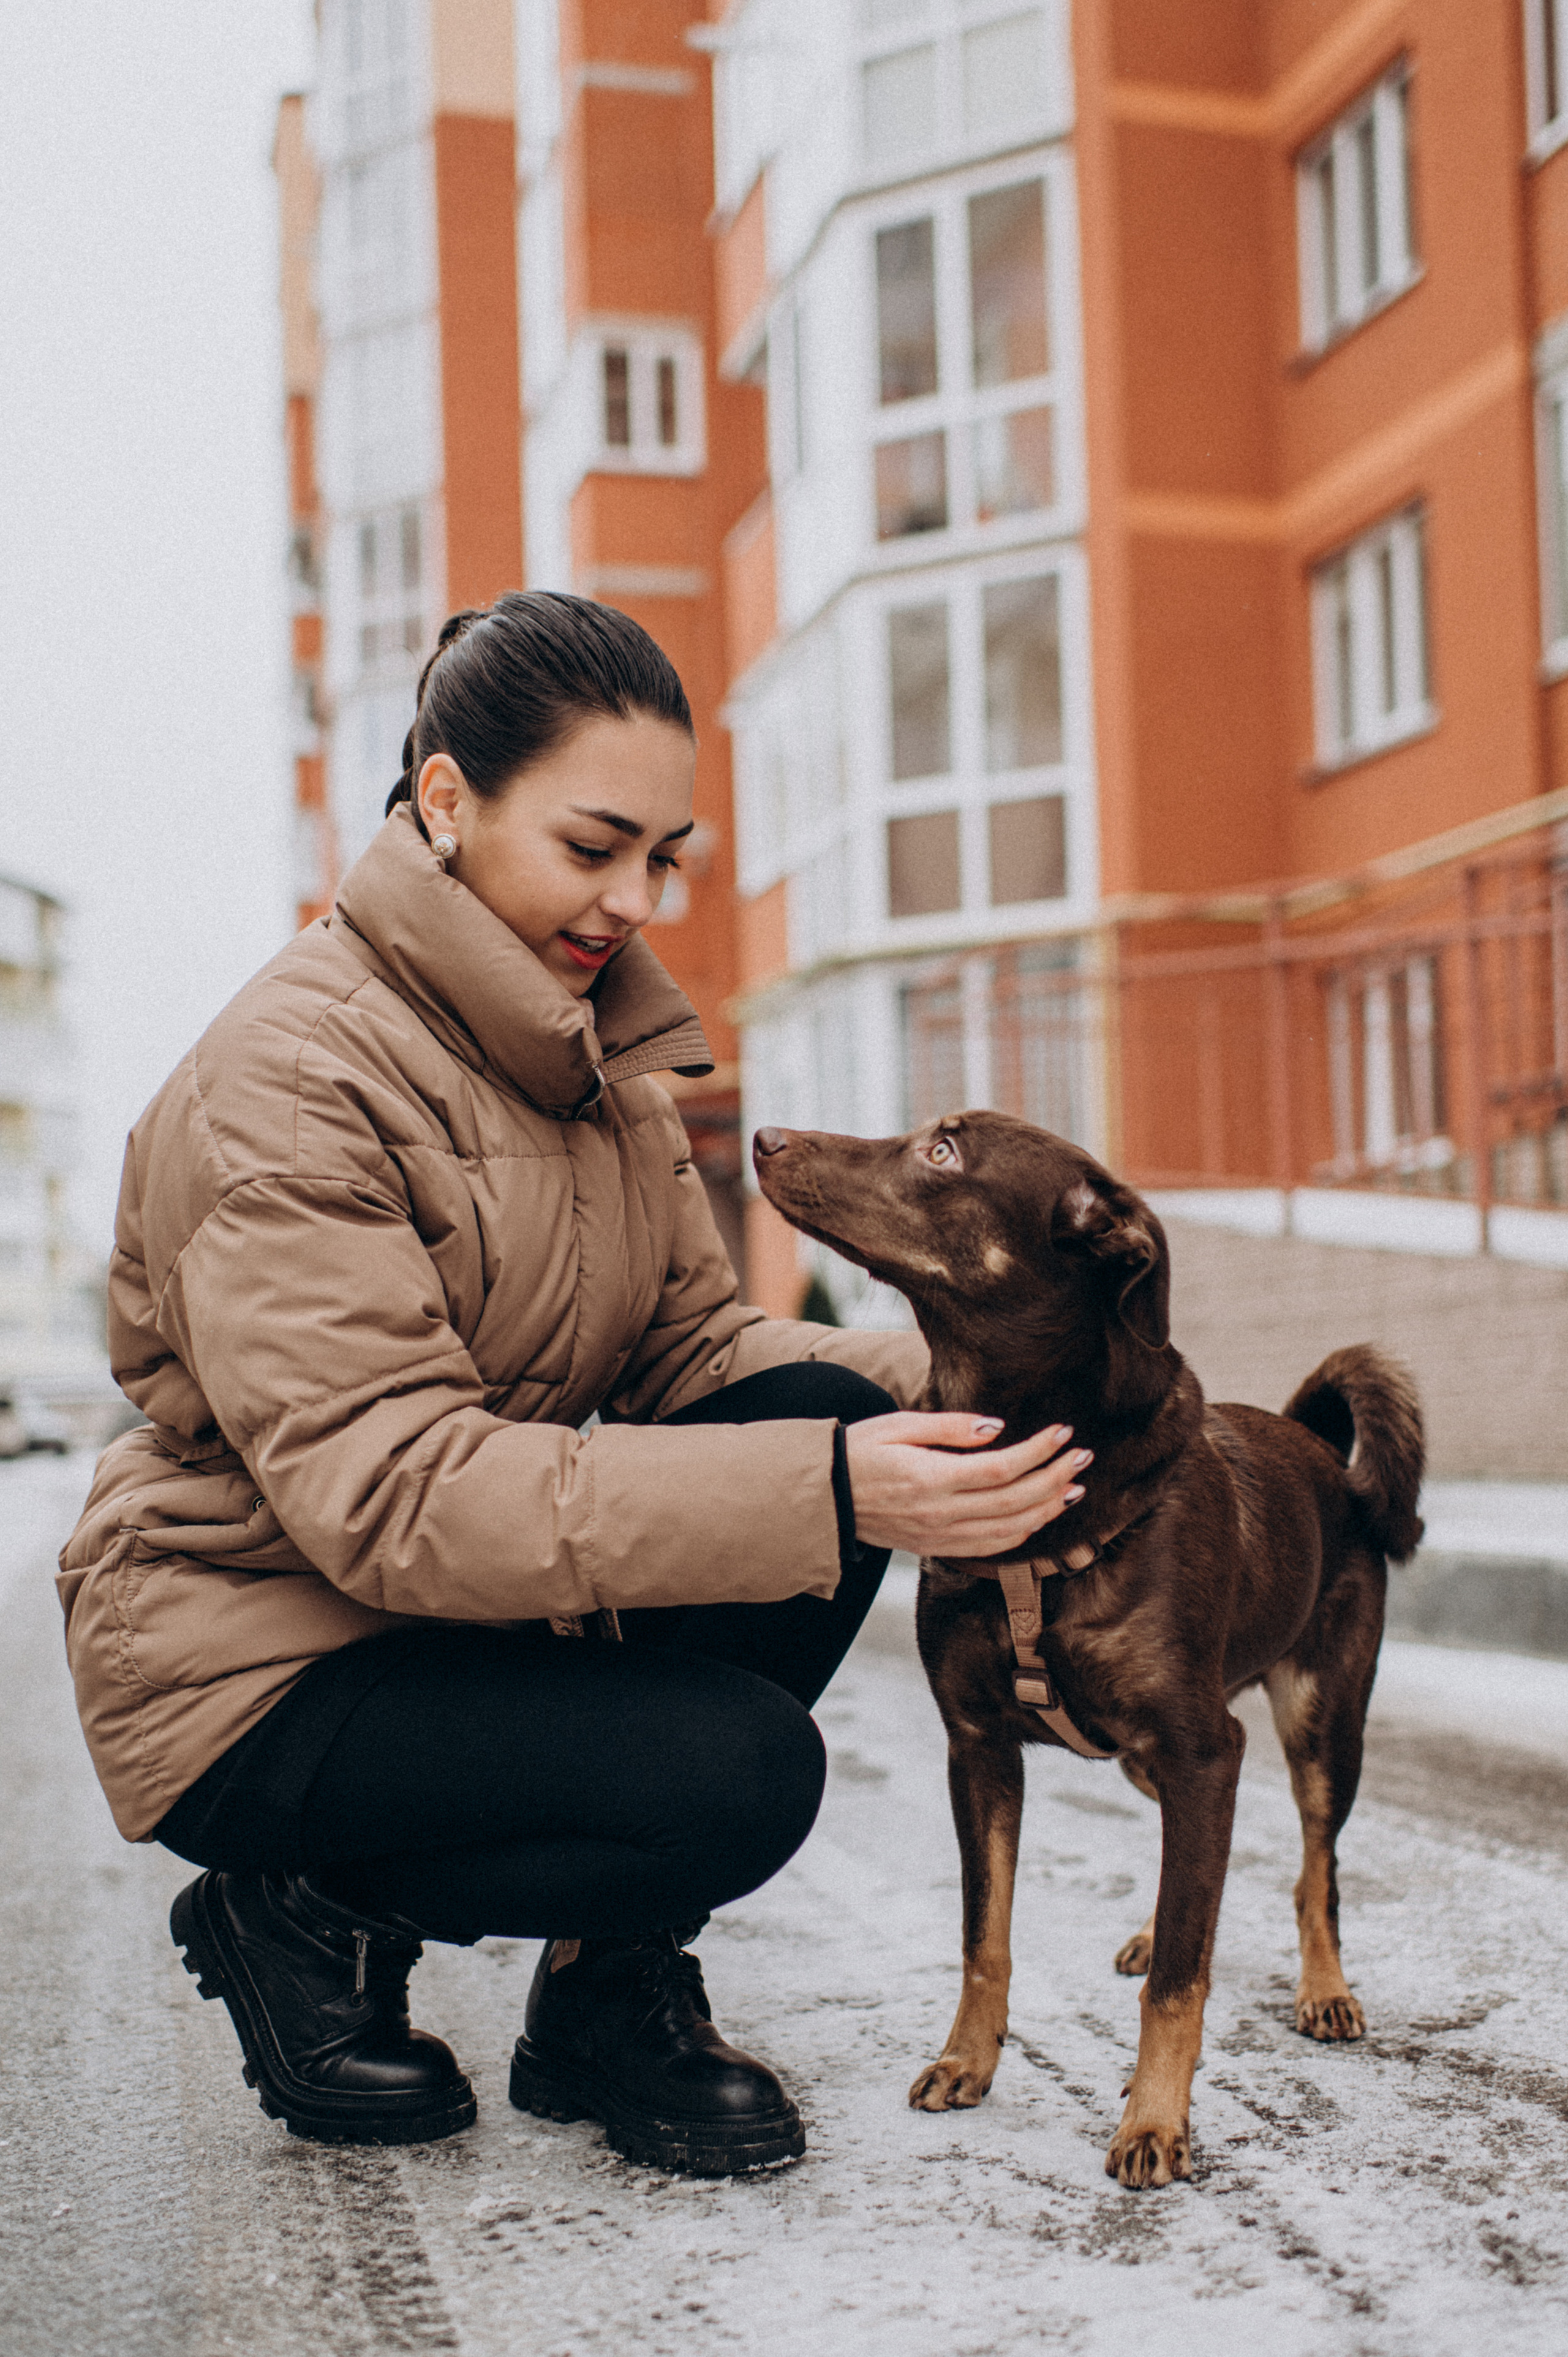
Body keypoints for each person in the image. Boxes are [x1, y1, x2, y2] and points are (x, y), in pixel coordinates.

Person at [58, 592, 1088, 2172]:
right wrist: (834, 1489)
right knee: (740, 1778)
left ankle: (603, 1996)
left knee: (844, 1422)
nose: (634, 898)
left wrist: (991, 1385)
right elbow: (393, 1497)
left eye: (663, 855)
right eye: (595, 846)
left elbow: (701, 1358)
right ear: (447, 798)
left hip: (464, 1623)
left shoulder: (587, 1059)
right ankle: (301, 1905)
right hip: (260, 1662)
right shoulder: (288, 1080)